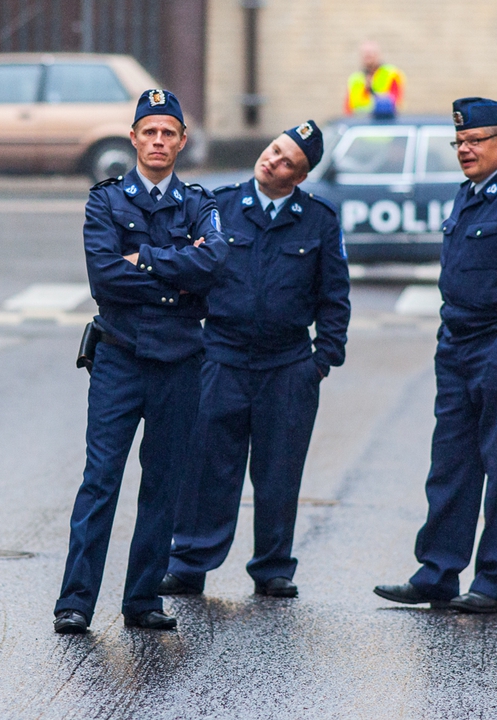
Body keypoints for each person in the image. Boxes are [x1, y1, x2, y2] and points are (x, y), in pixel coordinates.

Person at [374, 97, 497, 614]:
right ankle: (438, 572)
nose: (464, 150)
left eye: (474, 141)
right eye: (459, 142)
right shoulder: (470, 195)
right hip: (457, 347)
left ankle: (493, 583)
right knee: (450, 463)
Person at [53, 89, 228, 634]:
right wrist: (178, 275)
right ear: (133, 139)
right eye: (148, 131)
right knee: (100, 479)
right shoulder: (105, 201)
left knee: (164, 482)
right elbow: (105, 277)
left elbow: (215, 263)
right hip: (120, 359)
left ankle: (142, 599)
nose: (157, 141)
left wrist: (147, 259)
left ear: (181, 141)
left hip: (179, 363)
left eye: (167, 133)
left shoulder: (201, 203)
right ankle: (76, 601)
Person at [158, 122, 350, 600]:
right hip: (220, 355)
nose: (272, 161)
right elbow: (186, 273)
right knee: (206, 465)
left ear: (299, 178)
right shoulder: (219, 208)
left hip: (286, 364)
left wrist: (322, 360)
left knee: (279, 469)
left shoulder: (319, 221)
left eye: (287, 161)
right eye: (273, 150)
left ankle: (273, 567)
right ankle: (189, 563)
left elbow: (335, 297)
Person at [345, 41, 405, 116]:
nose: (367, 56)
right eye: (365, 54)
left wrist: (372, 91)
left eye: (370, 53)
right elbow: (348, 108)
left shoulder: (391, 74)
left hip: (383, 123)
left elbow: (395, 101)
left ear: (378, 55)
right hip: (360, 124)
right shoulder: (355, 78)